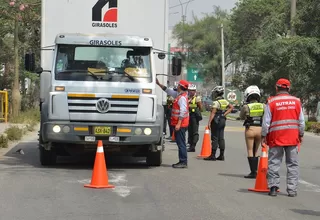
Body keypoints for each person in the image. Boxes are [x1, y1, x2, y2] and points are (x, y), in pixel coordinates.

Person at [261, 78, 305, 197]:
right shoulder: (296, 101)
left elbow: (266, 123)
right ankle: (292, 190)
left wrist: (264, 136)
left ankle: (273, 188)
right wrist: (301, 134)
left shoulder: (271, 102)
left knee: (274, 162)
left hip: (276, 138)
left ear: (276, 88)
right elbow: (301, 122)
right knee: (292, 164)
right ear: (288, 89)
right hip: (292, 138)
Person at [156, 78, 190, 168]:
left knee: (181, 143)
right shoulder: (179, 95)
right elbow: (168, 91)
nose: (177, 86)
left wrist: (178, 124)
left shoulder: (182, 98)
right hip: (180, 124)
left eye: (178, 85)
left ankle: (183, 162)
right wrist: (159, 84)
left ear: (180, 86)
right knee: (180, 143)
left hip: (181, 124)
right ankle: (182, 161)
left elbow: (183, 111)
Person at [240, 85, 265, 179]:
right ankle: (257, 170)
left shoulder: (246, 107)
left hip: (250, 129)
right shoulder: (263, 106)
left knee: (250, 150)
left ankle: (253, 171)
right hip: (260, 129)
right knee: (256, 150)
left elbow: (242, 117)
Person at [204, 86, 233, 161]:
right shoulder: (225, 101)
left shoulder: (216, 102)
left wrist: (209, 123)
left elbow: (213, 113)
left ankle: (213, 155)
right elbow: (231, 107)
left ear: (216, 93)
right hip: (223, 120)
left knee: (214, 138)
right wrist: (224, 114)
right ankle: (221, 155)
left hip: (216, 120)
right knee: (221, 137)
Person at [187, 84, 203, 152]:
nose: (191, 92)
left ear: (195, 91)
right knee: (190, 131)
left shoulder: (197, 98)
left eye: (193, 90)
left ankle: (193, 145)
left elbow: (201, 108)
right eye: (190, 90)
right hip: (188, 116)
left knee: (194, 131)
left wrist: (196, 109)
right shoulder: (187, 97)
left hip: (194, 116)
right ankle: (190, 145)